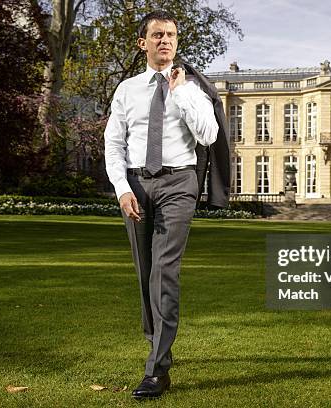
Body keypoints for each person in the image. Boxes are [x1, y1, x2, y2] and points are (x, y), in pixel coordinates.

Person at [104, 10, 219, 400]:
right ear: (143, 43)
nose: (165, 40)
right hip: (136, 183)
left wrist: (181, 93)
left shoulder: (192, 88)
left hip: (179, 182)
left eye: (170, 35)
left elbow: (208, 133)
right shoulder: (127, 90)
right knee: (145, 271)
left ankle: (157, 369)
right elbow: (114, 144)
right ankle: (157, 342)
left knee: (164, 272)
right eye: (157, 35)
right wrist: (122, 188)